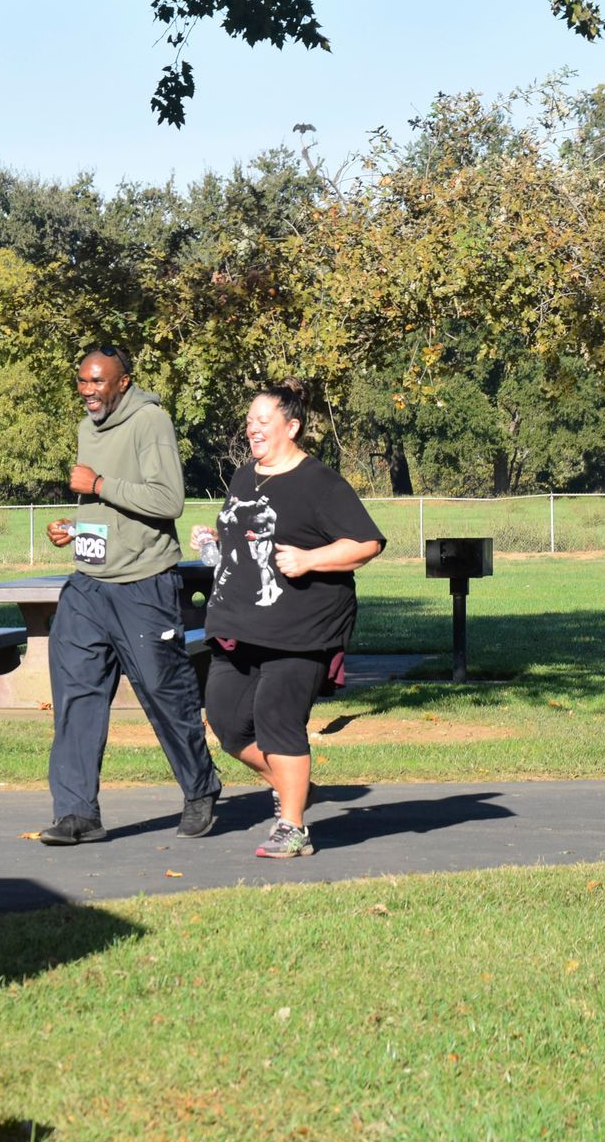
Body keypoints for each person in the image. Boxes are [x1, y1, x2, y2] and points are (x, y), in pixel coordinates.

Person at [37, 345, 222, 845]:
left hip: (144, 584)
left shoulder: (150, 421)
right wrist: (74, 529)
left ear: (123, 382)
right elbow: (108, 508)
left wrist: (98, 483)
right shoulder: (86, 428)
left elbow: (168, 500)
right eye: (82, 381)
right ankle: (77, 813)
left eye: (98, 382)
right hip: (88, 585)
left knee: (165, 692)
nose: (89, 391)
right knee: (75, 694)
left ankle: (200, 789)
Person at [197, 378, 385, 858]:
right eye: (249, 421)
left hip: (302, 629)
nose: (252, 428)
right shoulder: (244, 476)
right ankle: (295, 784)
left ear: (292, 426)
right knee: (228, 724)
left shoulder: (319, 482)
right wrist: (213, 545)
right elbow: (246, 545)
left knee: (277, 720)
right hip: (240, 625)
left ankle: (292, 826)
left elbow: (366, 543)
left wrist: (309, 560)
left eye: (263, 421)